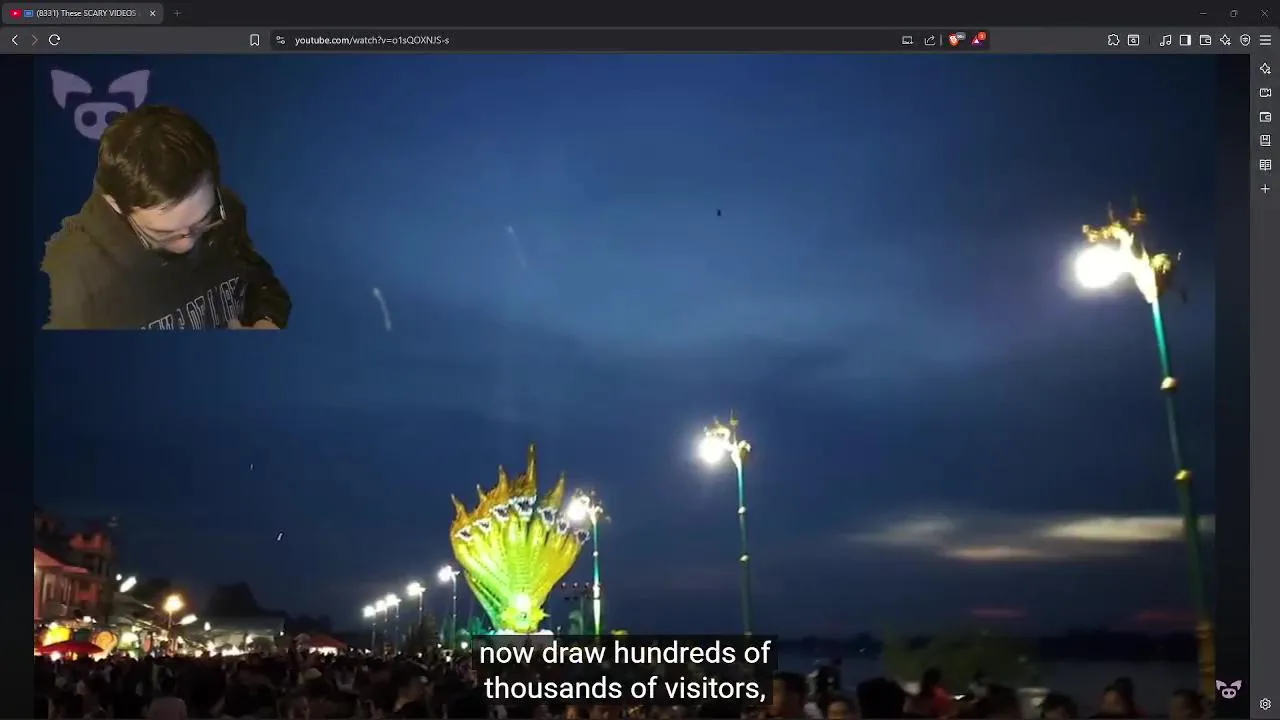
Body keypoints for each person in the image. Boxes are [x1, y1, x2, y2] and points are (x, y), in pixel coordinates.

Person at [43, 105, 291, 330]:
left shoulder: (226, 210)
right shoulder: (69, 281)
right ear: (115, 204)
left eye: (202, 222)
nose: (188, 244)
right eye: (164, 233)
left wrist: (266, 322)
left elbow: (261, 286)